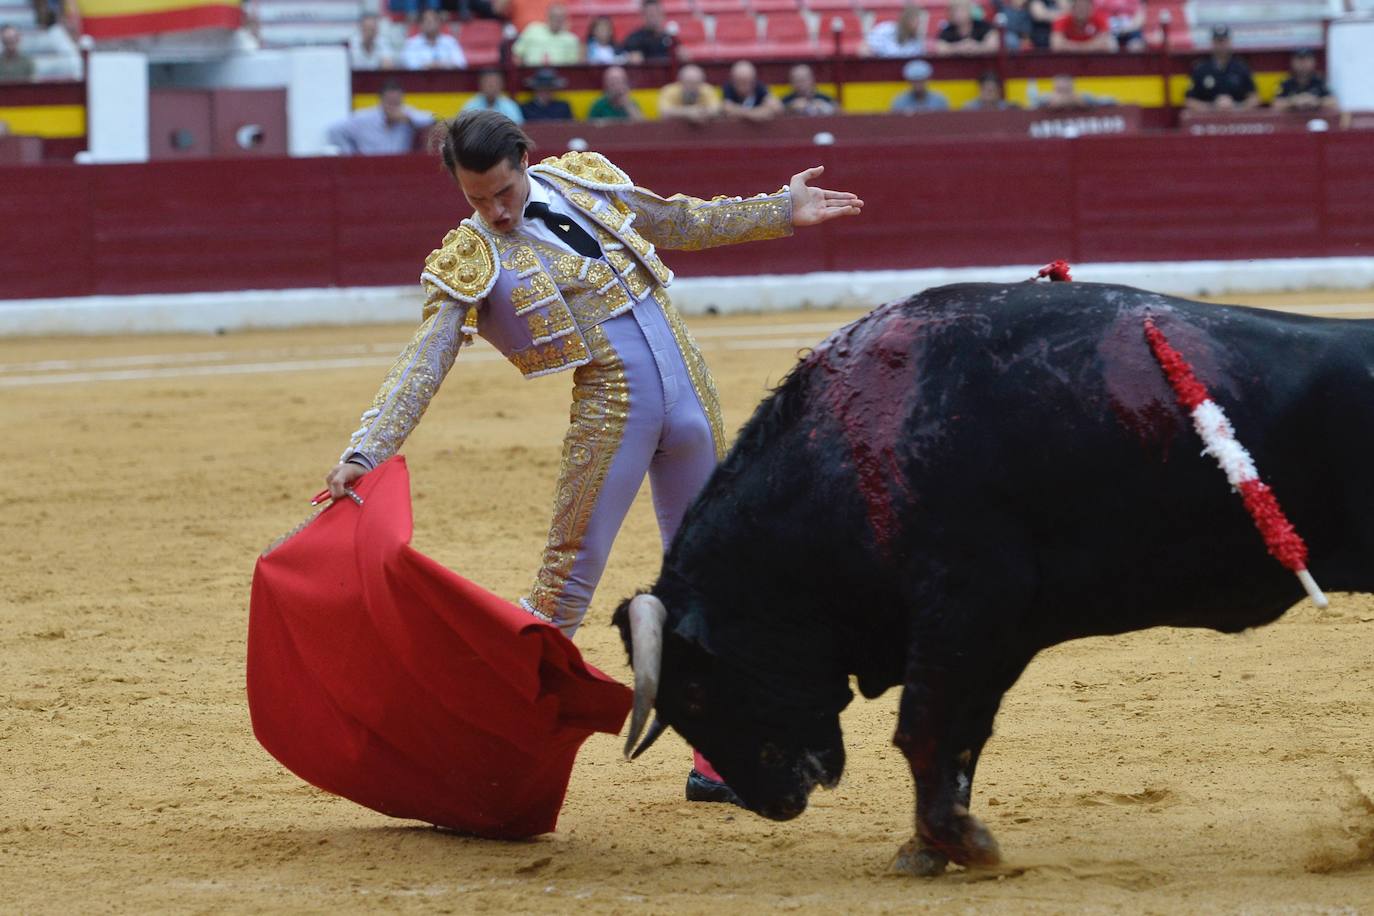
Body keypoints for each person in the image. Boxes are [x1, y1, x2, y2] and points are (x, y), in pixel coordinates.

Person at [322, 109, 863, 803]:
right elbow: (423, 363)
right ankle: (489, 751)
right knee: (563, 589)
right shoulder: (469, 254)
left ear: (524, 161)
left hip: (691, 392)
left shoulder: (586, 180)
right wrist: (368, 447)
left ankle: (716, 758)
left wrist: (779, 209)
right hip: (614, 410)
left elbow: (679, 222)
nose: (495, 211)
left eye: (503, 192)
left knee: (718, 578)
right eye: (475, 200)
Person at [327, 81, 436, 154]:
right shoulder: (364, 118)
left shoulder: (407, 114)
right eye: (390, 102)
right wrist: (350, 154)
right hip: (368, 167)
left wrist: (409, 120)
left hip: (400, 167)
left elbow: (431, 119)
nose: (393, 107)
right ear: (381, 101)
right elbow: (334, 130)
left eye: (397, 103)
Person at [1184, 25, 1257, 111]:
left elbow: (1254, 99)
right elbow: (1189, 101)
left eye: (1224, 41)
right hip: (1207, 121)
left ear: (1230, 42)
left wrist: (1235, 107)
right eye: (1218, 41)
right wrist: (1213, 107)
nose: (1221, 45)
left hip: (1237, 120)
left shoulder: (1241, 68)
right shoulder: (1201, 69)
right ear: (1212, 43)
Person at [512, 2, 581, 66]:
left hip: (559, 77)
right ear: (547, 16)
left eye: (560, 17)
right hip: (531, 75)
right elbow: (517, 54)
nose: (556, 20)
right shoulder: (532, 29)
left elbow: (572, 67)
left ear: (564, 19)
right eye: (553, 16)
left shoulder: (571, 39)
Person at [1271, 48, 1338, 113]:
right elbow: (1276, 104)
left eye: (1307, 60)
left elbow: (1333, 102)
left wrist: (1316, 101)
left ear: (1314, 61)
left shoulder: (1319, 81)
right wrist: (1293, 101)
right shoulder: (1286, 81)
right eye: (1300, 59)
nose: (1303, 64)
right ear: (1292, 62)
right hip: (1290, 121)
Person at [403, 9, 468, 69]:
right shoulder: (412, 43)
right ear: (420, 25)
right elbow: (409, 64)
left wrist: (439, 65)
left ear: (439, 23)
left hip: (447, 79)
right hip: (420, 79)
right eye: (427, 21)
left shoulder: (450, 41)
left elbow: (461, 63)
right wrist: (433, 65)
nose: (430, 24)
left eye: (433, 21)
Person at [657, 64, 721, 124]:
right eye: (689, 82)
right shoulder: (669, 90)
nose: (693, 87)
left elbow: (716, 110)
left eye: (697, 83)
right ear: (680, 81)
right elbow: (664, 112)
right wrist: (688, 112)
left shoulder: (707, 89)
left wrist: (700, 113)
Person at [935, 0, 999, 55]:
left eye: (962, 10)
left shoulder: (983, 26)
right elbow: (940, 49)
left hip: (982, 66)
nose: (958, 14)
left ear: (969, 10)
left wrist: (976, 47)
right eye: (955, 11)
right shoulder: (947, 30)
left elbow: (994, 45)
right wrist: (959, 47)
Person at [1050, 0, 1116, 52]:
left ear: (1092, 8)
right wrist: (1086, 47)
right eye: (1079, 6)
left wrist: (1078, 48)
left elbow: (1105, 42)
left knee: (1111, 43)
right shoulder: (1061, 21)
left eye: (1085, 6)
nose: (1082, 9)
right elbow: (1056, 45)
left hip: (1094, 58)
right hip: (1069, 59)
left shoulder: (1101, 19)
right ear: (1072, 8)